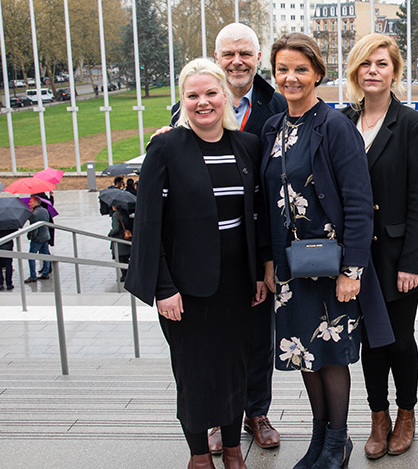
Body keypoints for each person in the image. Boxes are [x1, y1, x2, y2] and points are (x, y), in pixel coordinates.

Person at [125, 57, 269, 469]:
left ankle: (233, 447)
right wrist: (162, 286)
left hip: (237, 284)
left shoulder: (247, 146)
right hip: (185, 288)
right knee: (193, 372)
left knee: (234, 367)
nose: (203, 103)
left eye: (210, 93)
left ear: (225, 96)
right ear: (182, 101)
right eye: (193, 96)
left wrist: (261, 271)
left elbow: (255, 215)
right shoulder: (166, 147)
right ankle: (198, 452)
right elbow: (149, 221)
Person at [260, 33, 394, 469]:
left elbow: (358, 202)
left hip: (331, 266)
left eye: (301, 68)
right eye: (283, 68)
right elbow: (266, 202)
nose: (291, 77)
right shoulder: (273, 127)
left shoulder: (334, 126)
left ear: (317, 72)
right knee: (304, 352)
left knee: (331, 354)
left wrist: (352, 270)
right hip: (288, 268)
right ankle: (320, 439)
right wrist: (268, 262)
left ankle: (338, 442)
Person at [161, 22, 287, 453]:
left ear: (257, 59)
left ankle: (256, 411)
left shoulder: (276, 104)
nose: (237, 61)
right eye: (228, 54)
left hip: (253, 249)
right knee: (209, 347)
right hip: (197, 262)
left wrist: (267, 260)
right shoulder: (187, 109)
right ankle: (216, 419)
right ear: (217, 60)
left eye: (245, 54)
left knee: (255, 337)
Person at [341, 33, 418, 459]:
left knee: (398, 339)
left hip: (398, 256)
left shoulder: (412, 125)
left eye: (381, 63)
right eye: (365, 64)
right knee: (369, 341)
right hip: (356, 256)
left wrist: (413, 259)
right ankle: (378, 416)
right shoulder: (342, 121)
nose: (373, 71)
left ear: (395, 71)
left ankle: (406, 413)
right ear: (355, 71)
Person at [25, 196, 51, 283]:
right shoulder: (45, 210)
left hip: (38, 238)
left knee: (31, 256)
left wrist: (32, 237)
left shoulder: (34, 214)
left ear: (36, 202)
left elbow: (34, 228)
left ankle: (33, 275)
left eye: (31, 202)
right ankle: (45, 273)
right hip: (45, 236)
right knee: (45, 254)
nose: (29, 204)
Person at [107, 205, 132, 282]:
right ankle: (128, 274)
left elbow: (116, 229)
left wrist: (110, 234)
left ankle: (124, 275)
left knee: (120, 258)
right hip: (126, 238)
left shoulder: (116, 215)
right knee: (126, 258)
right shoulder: (124, 214)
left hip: (119, 239)